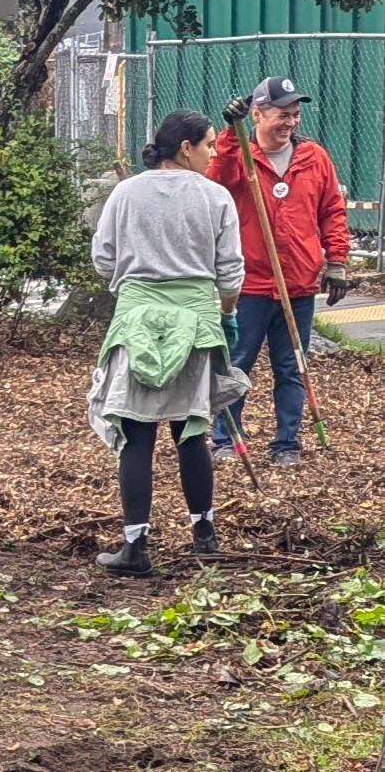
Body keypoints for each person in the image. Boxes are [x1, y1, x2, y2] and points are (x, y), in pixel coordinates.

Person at [88, 110, 249, 574]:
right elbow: (231, 272)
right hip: (197, 321)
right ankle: (205, 536)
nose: (214, 153)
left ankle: (135, 547)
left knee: (135, 435)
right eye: (210, 145)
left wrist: (139, 278)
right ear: (186, 148)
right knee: (192, 431)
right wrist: (225, 313)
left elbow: (103, 260)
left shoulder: (125, 193)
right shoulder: (215, 197)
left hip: (135, 318)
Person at [209, 76, 349, 467]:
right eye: (281, 115)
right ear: (256, 114)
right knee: (238, 363)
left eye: (295, 114)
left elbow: (332, 211)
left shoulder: (314, 157)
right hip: (250, 284)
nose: (290, 122)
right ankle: (225, 438)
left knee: (292, 367)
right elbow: (215, 182)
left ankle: (287, 443)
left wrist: (335, 261)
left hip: (298, 283)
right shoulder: (239, 157)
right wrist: (229, 133)